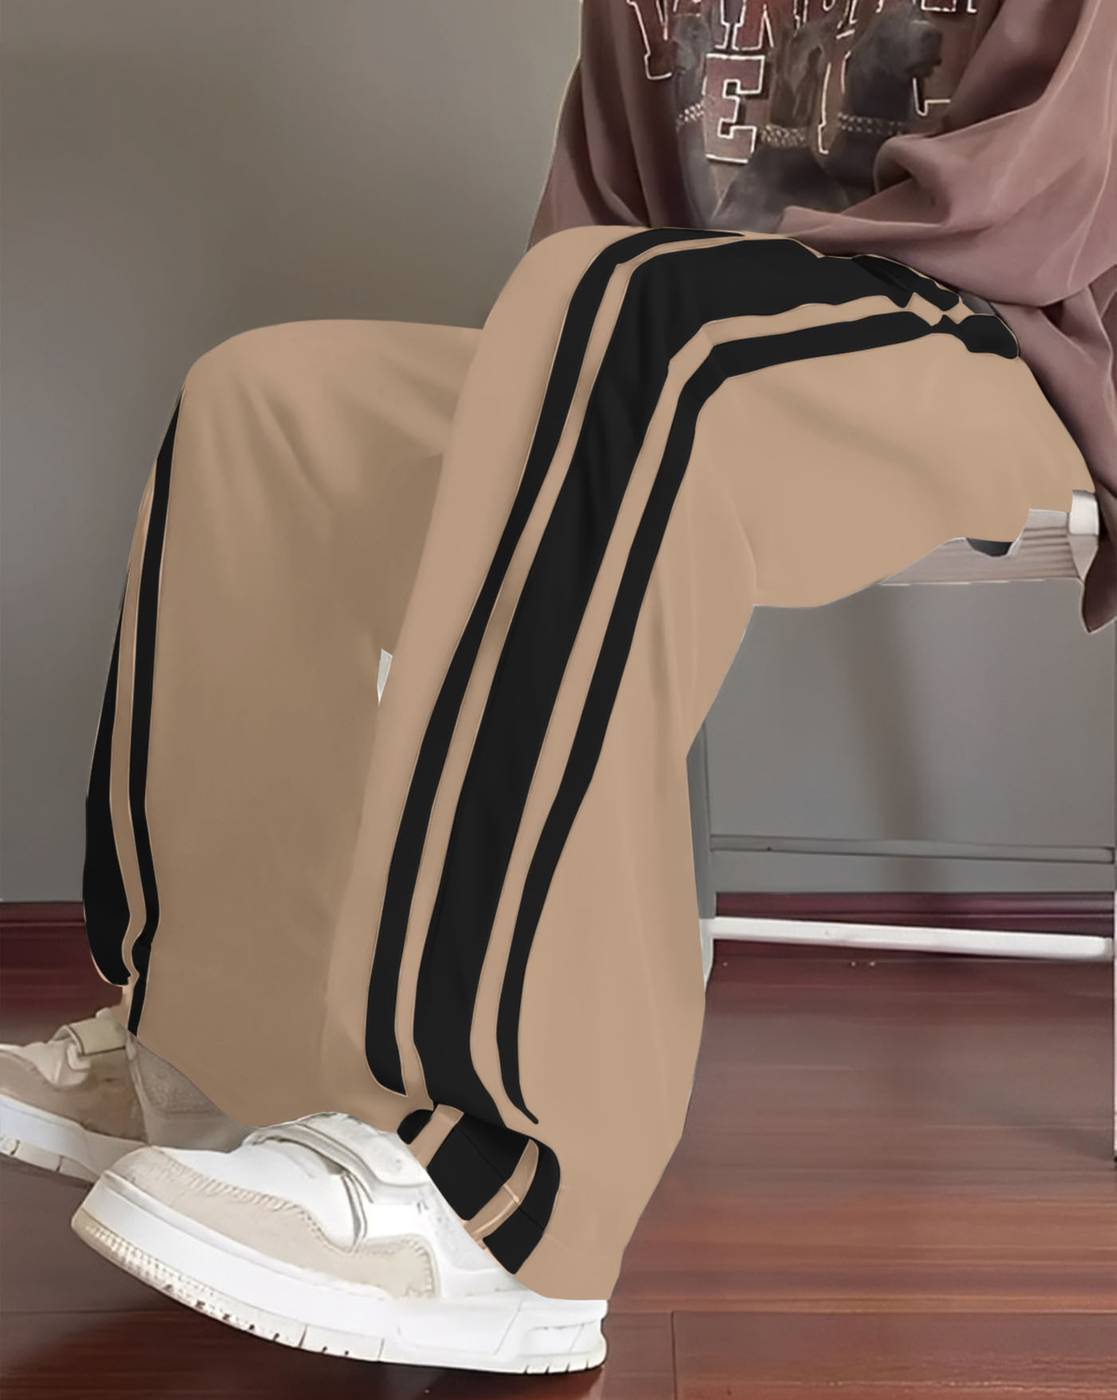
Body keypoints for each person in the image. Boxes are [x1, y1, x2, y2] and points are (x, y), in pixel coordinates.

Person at [2, 0, 1113, 1377]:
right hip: (676, 329)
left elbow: (1040, 202)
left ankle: (496, 1194)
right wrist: (573, 355)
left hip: (999, 339)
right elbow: (599, 227)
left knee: (633, 311)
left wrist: (648, 303)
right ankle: (217, 1058)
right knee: (271, 401)